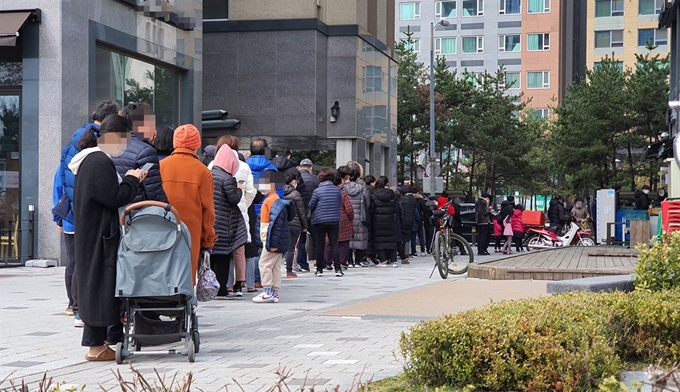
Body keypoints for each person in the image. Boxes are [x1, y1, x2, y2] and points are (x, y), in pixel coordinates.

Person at [69, 114, 146, 361]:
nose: (126, 146)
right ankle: (96, 347)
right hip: (100, 236)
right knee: (100, 288)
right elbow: (113, 197)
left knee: (96, 286)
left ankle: (100, 343)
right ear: (115, 137)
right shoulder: (99, 161)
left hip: (93, 233)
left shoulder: (89, 160)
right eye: (125, 139)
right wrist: (133, 180)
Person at [53, 100, 119, 327]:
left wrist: (59, 215)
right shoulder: (101, 146)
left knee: (74, 261)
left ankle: (74, 306)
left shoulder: (73, 144)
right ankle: (84, 310)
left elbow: (59, 181)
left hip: (71, 212)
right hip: (92, 214)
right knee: (89, 263)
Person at [159, 124, 217, 284]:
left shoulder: (161, 166)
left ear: (175, 143)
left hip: (161, 229)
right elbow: (208, 212)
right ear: (196, 145)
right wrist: (208, 241)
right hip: (190, 233)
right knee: (185, 279)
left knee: (161, 273)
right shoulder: (203, 172)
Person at [217, 135, 256, 296]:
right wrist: (244, 205)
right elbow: (251, 191)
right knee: (239, 249)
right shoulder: (244, 166)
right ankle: (240, 284)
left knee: (220, 250)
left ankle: (225, 284)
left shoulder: (213, 164)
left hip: (219, 211)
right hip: (239, 211)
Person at [113, 102, 168, 204]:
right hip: (138, 213)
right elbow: (154, 192)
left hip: (117, 212)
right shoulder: (146, 151)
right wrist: (170, 213)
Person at [210, 144, 246, 297]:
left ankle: (208, 287)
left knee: (211, 256)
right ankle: (221, 289)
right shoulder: (227, 179)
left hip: (210, 221)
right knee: (223, 256)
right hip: (225, 223)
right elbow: (233, 199)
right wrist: (238, 188)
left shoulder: (208, 174)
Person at [253, 171, 295, 303]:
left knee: (264, 263)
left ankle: (267, 291)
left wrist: (271, 242)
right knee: (275, 266)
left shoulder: (272, 201)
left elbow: (274, 225)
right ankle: (275, 292)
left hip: (272, 240)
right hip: (276, 239)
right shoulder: (275, 200)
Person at [308, 168, 343, 277]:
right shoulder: (337, 190)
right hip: (334, 220)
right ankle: (338, 269)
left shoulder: (317, 191)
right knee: (334, 245)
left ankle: (319, 269)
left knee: (320, 245)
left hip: (320, 220)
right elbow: (340, 204)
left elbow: (310, 205)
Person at [343, 169, 370, 267]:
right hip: (359, 216)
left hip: (347, 216)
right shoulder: (362, 188)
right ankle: (358, 261)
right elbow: (367, 203)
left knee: (348, 238)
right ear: (358, 178)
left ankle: (349, 261)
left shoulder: (343, 188)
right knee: (360, 237)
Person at [370, 176, 400, 265]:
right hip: (390, 220)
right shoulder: (392, 195)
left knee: (379, 240)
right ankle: (394, 260)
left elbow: (371, 209)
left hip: (377, 221)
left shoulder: (373, 195)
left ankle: (383, 260)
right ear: (387, 183)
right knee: (391, 240)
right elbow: (397, 209)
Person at [329, 169, 354, 270]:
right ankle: (342, 262)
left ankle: (328, 262)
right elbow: (349, 208)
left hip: (329, 218)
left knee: (329, 242)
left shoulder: (326, 192)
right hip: (343, 219)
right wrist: (351, 218)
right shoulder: (342, 193)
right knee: (343, 242)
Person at [296, 158, 319, 271]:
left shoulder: (296, 179)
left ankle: (302, 264)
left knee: (301, 241)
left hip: (299, 214)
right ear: (311, 168)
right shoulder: (316, 179)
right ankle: (318, 263)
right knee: (316, 239)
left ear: (300, 167)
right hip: (313, 213)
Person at [283, 172, 307, 278]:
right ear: (293, 181)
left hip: (283, 223)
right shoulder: (296, 194)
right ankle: (289, 271)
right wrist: (305, 225)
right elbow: (301, 212)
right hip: (295, 224)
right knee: (292, 248)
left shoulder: (279, 192)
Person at [246, 138, 278, 216]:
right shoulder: (272, 169)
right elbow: (278, 192)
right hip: (267, 210)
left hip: (248, 210)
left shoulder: (243, 167)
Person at [397, 187, 417, 265]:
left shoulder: (401, 200)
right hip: (410, 221)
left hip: (402, 220)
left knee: (400, 239)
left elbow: (400, 211)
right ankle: (406, 254)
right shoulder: (413, 200)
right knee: (407, 239)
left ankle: (403, 255)